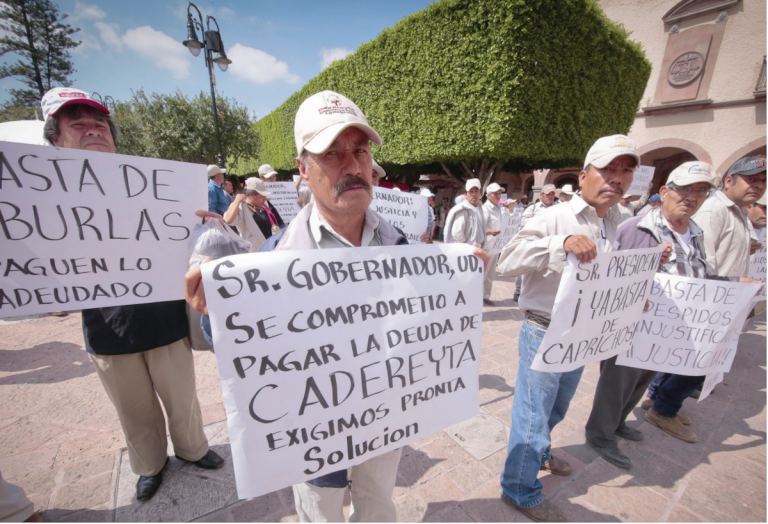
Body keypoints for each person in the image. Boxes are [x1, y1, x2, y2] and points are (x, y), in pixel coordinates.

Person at [185, 90, 488, 523]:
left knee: (379, 505)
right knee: (321, 513)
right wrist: (214, 315)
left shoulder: (403, 246)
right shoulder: (272, 260)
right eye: (332, 153)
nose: (352, 165)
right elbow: (246, 360)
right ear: (304, 170)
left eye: (360, 150)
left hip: (387, 421)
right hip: (315, 434)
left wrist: (456, 279)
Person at [40, 87, 223, 502]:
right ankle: (149, 466)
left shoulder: (158, 187)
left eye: (99, 125)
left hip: (163, 318)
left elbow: (187, 242)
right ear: (56, 139)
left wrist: (206, 228)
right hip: (107, 326)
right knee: (133, 407)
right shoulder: (42, 201)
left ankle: (194, 450)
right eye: (79, 125)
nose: (92, 132)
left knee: (183, 397)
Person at [495, 134, 639, 522]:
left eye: (626, 170)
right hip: (545, 331)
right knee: (532, 413)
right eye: (608, 169)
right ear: (584, 175)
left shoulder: (619, 221)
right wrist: (561, 244)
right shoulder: (554, 216)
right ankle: (519, 488)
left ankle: (538, 455)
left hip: (584, 334)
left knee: (557, 407)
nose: (617, 178)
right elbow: (504, 263)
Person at [585, 161, 725, 466]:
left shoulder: (696, 233)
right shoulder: (639, 228)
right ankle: (600, 435)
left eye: (701, 190)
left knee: (641, 380)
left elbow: (701, 275)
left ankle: (619, 422)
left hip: (667, 328)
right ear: (664, 192)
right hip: (633, 323)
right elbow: (617, 275)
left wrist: (735, 286)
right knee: (617, 382)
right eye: (684, 189)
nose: (692, 196)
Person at [693, 155, 767, 278]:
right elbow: (702, 265)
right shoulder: (713, 210)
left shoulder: (739, 211)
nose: (759, 185)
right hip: (714, 294)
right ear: (729, 181)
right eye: (752, 179)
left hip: (731, 293)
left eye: (764, 180)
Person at [512, 184, 557, 302]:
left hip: (550, 244)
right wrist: (540, 222)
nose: (550, 197)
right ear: (541, 195)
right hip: (534, 242)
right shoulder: (533, 208)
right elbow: (523, 220)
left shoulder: (558, 208)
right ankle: (518, 291)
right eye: (548, 194)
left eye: (552, 194)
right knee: (525, 267)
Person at [223, 177, 269, 252]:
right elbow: (229, 220)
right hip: (255, 253)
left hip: (270, 249)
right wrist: (236, 202)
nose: (264, 198)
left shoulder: (264, 205)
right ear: (251, 194)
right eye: (261, 195)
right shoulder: (241, 207)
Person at [443, 179, 486, 245]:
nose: (474, 194)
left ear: (480, 193)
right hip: (467, 251)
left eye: (476, 191)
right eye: (471, 192)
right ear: (466, 194)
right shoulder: (463, 209)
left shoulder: (480, 208)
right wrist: (466, 250)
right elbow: (457, 234)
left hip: (477, 250)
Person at [482, 183, 504, 305]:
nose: (498, 196)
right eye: (495, 193)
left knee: (491, 274)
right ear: (489, 195)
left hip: (496, 246)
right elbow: (480, 230)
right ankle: (477, 296)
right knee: (483, 274)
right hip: (487, 246)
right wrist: (489, 232)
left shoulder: (499, 208)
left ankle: (486, 296)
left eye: (499, 193)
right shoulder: (485, 209)